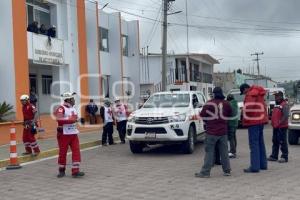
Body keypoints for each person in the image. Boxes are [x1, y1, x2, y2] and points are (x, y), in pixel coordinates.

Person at [195, 87, 232, 178]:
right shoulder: (227, 104)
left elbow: (202, 114)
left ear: (214, 94)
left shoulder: (209, 103)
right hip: (223, 131)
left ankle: (205, 172)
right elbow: (230, 114)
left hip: (211, 131)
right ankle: (227, 170)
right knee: (224, 152)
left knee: (209, 152)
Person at [55, 92, 85, 178]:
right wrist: (72, 120)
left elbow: (75, 118)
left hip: (73, 133)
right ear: (68, 100)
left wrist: (79, 120)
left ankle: (75, 170)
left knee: (76, 151)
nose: (74, 100)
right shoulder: (61, 108)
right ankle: (61, 170)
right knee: (63, 152)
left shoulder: (73, 109)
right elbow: (59, 119)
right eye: (73, 99)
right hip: (64, 134)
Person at [240, 83, 268, 173]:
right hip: (260, 120)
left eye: (243, 92)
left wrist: (243, 112)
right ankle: (263, 165)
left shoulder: (251, 93)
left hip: (253, 122)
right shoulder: (259, 93)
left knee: (254, 144)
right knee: (260, 143)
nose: (244, 94)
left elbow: (248, 108)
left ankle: (255, 167)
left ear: (245, 89)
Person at [268, 91, 289, 163]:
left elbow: (285, 115)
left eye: (276, 96)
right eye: (275, 96)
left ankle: (284, 157)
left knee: (282, 142)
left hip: (282, 127)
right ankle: (274, 156)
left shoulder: (284, 104)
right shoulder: (277, 105)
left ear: (280, 96)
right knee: (275, 141)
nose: (275, 97)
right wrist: (272, 122)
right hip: (276, 126)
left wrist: (280, 122)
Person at [227, 94, 239, 158]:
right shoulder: (235, 104)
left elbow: (228, 113)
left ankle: (232, 152)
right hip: (235, 123)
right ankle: (234, 150)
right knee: (234, 137)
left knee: (231, 138)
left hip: (231, 123)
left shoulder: (230, 105)